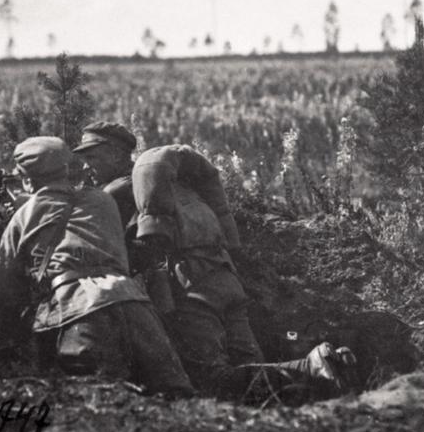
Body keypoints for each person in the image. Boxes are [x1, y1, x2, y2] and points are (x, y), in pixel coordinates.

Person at [74, 123, 355, 399]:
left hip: (189, 289)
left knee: (209, 381)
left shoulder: (119, 192)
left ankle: (312, 366)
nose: (86, 167)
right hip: (225, 280)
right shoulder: (175, 184)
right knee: (250, 373)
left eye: (91, 157)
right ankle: (328, 367)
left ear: (114, 154)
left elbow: (114, 251)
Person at [0, 136, 193, 396]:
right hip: (136, 307)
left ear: (27, 179)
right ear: (66, 168)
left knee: (99, 404)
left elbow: (2, 289)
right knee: (176, 399)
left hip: (80, 311)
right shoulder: (103, 202)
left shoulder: (24, 216)